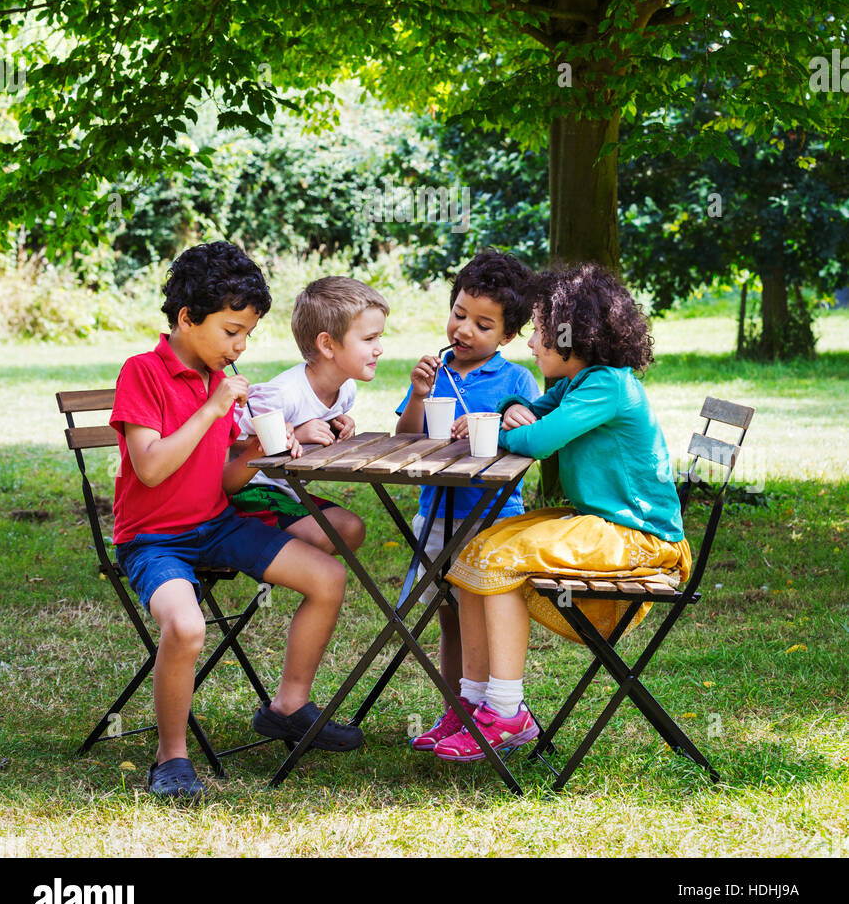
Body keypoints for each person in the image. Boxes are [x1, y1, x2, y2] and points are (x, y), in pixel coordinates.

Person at [110, 242, 363, 803]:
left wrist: (256, 446)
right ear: (185, 318)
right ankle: (171, 757)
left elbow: (225, 480)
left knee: (329, 576)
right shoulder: (143, 373)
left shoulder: (218, 381)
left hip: (217, 523)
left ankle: (288, 706)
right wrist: (210, 409)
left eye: (248, 333)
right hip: (153, 540)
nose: (241, 346)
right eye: (231, 331)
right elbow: (150, 468)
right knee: (187, 627)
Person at [432, 263, 692, 762]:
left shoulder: (607, 386)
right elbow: (530, 406)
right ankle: (473, 703)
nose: (531, 346)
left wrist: (503, 430)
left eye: (542, 335)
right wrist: (511, 406)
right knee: (473, 552)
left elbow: (541, 440)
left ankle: (508, 713)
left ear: (577, 338)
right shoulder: (578, 381)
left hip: (641, 537)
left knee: (501, 559)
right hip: (601, 524)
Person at [230, 276, 389, 750]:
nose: (380, 349)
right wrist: (293, 429)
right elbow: (241, 431)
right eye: (370, 338)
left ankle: (290, 561)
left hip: (288, 497)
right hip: (251, 496)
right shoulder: (282, 393)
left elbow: (322, 435)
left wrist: (340, 426)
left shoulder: (343, 391)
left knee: (351, 528)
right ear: (327, 344)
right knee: (334, 538)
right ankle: (283, 560)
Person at [395, 249, 539, 751]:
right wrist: (416, 394)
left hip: (492, 518)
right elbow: (405, 437)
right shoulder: (436, 372)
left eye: (483, 324)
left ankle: (491, 710)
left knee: (481, 610)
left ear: (506, 335)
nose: (464, 330)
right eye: (459, 314)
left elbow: (527, 427)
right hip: (436, 513)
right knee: (450, 615)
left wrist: (501, 420)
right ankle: (457, 709)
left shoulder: (517, 380)